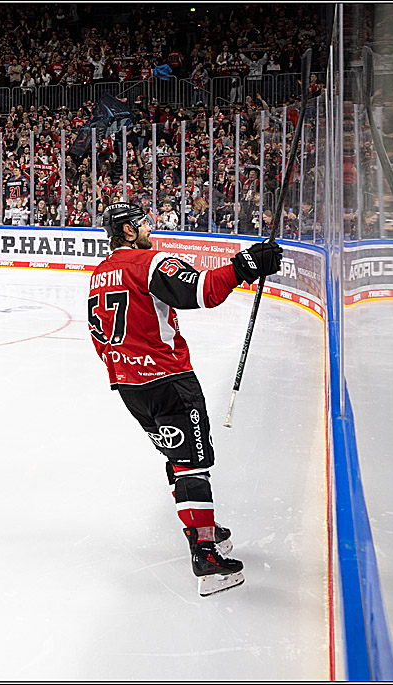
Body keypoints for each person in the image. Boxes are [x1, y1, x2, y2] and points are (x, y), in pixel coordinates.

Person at [87, 202, 283, 596]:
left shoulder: (98, 274)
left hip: (130, 386)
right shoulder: (148, 263)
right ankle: (206, 555)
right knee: (193, 466)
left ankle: (202, 525)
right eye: (142, 223)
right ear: (127, 231)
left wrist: (129, 369)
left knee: (176, 458)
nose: (148, 229)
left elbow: (99, 337)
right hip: (169, 381)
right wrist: (245, 265)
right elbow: (203, 292)